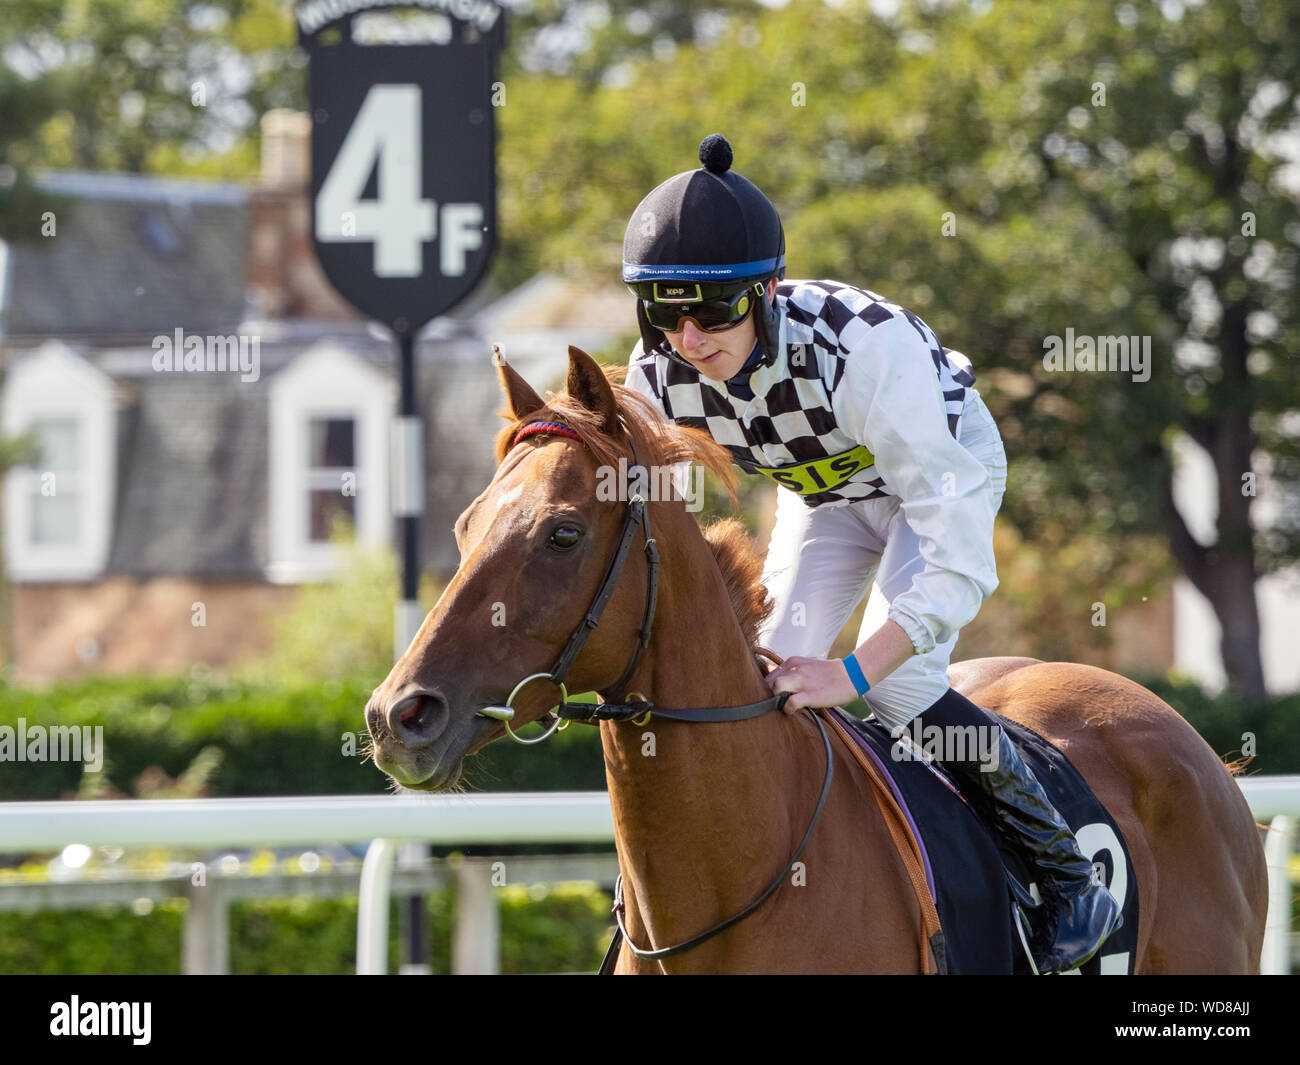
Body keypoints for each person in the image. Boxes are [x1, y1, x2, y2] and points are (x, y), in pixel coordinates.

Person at [620, 133, 1121, 974]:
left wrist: (852, 676)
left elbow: (956, 559)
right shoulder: (660, 368)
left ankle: (1070, 875)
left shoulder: (864, 351)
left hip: (937, 482)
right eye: (667, 312)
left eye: (714, 310)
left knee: (897, 678)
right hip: (826, 496)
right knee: (772, 672)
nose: (691, 336)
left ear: (768, 290)